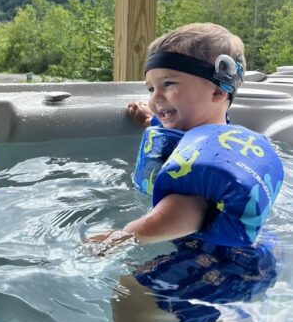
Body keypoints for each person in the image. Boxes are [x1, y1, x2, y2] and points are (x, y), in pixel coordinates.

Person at [88, 22, 283, 250]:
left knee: (128, 285)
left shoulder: (207, 163)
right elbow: (176, 140)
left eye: (168, 84)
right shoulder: (204, 136)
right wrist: (148, 121)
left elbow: (185, 211)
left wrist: (121, 238)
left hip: (215, 264)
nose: (154, 98)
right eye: (151, 89)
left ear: (218, 91)